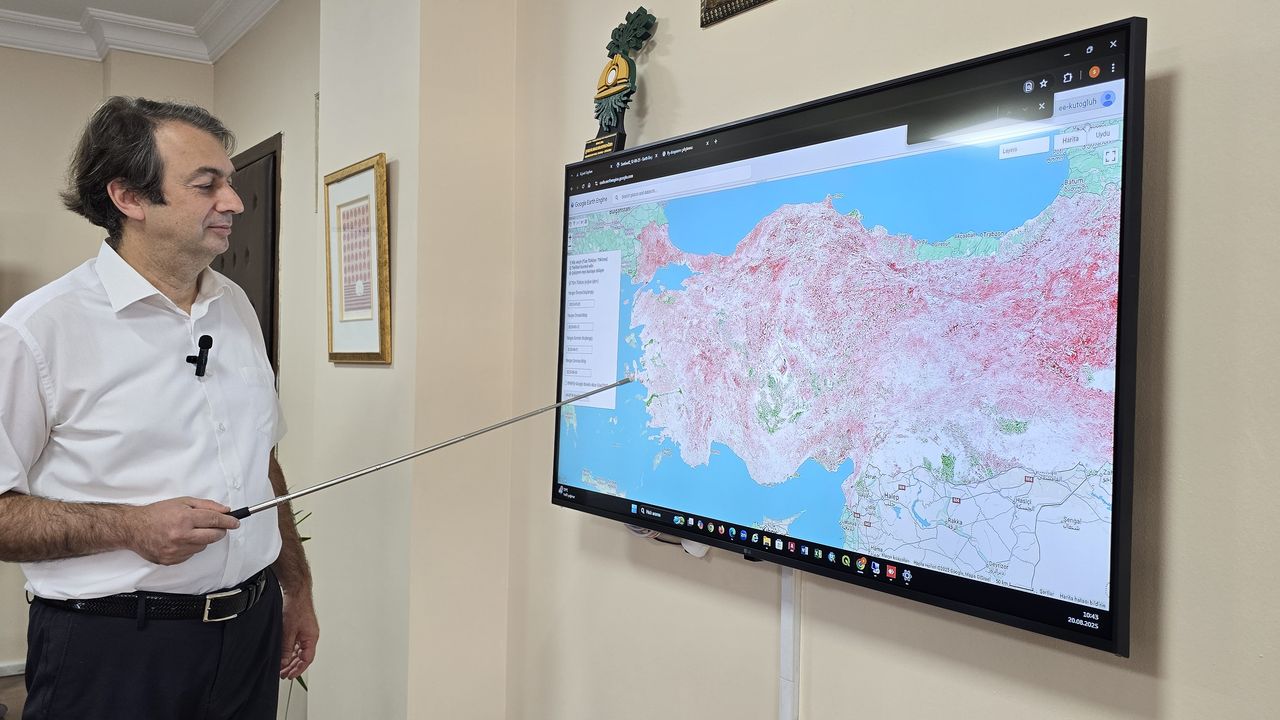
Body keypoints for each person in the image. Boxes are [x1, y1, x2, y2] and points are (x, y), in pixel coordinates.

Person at [0, 97, 318, 718]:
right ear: (129, 198)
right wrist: (130, 527)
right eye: (207, 185)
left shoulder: (235, 307)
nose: (234, 201)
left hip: (249, 635)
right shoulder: (37, 331)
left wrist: (296, 587)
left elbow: (260, 460)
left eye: (229, 182)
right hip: (112, 650)